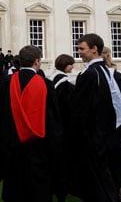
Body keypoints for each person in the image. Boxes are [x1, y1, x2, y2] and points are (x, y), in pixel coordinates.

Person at [0, 45, 62, 201]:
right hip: (39, 150)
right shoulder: (46, 84)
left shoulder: (6, 82)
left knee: (14, 190)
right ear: (37, 62)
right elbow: (53, 123)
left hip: (11, 148)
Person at [68, 33, 121, 202]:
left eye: (82, 48)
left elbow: (80, 110)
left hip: (93, 138)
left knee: (96, 185)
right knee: (103, 180)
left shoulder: (91, 74)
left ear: (94, 49)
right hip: (104, 134)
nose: (78, 52)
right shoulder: (103, 71)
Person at [103, 47, 121, 202]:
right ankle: (118, 191)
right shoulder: (118, 75)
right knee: (116, 160)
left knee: (109, 161)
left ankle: (114, 191)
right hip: (118, 125)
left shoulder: (113, 76)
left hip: (110, 125)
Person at [51, 53, 75, 202]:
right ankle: (62, 190)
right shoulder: (65, 84)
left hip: (52, 125)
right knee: (63, 161)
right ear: (66, 66)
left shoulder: (51, 79)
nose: (73, 67)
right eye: (71, 64)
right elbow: (69, 109)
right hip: (63, 127)